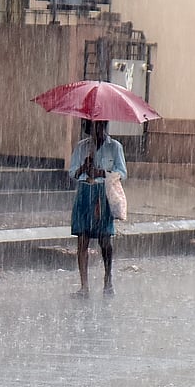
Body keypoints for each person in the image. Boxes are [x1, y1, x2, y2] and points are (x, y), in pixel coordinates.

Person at [68, 120, 127, 297]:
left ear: (104, 126)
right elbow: (72, 173)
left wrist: (103, 173)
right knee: (82, 239)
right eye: (93, 127)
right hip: (85, 193)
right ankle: (84, 285)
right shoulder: (82, 147)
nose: (96, 130)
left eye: (99, 126)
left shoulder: (115, 147)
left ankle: (108, 278)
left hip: (103, 195)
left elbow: (122, 172)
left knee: (105, 240)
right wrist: (83, 168)